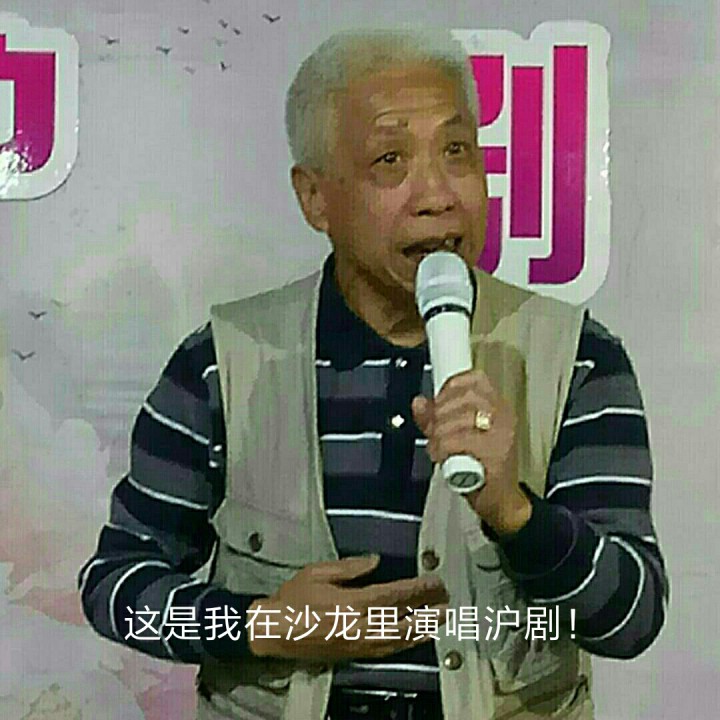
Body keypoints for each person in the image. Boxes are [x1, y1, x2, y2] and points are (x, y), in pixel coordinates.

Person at [78, 28, 669, 720]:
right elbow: (115, 587)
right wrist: (262, 625)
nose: (438, 194)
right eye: (391, 160)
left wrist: (516, 513)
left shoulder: (578, 358)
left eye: (458, 151)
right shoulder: (220, 364)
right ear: (315, 198)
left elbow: (633, 617)